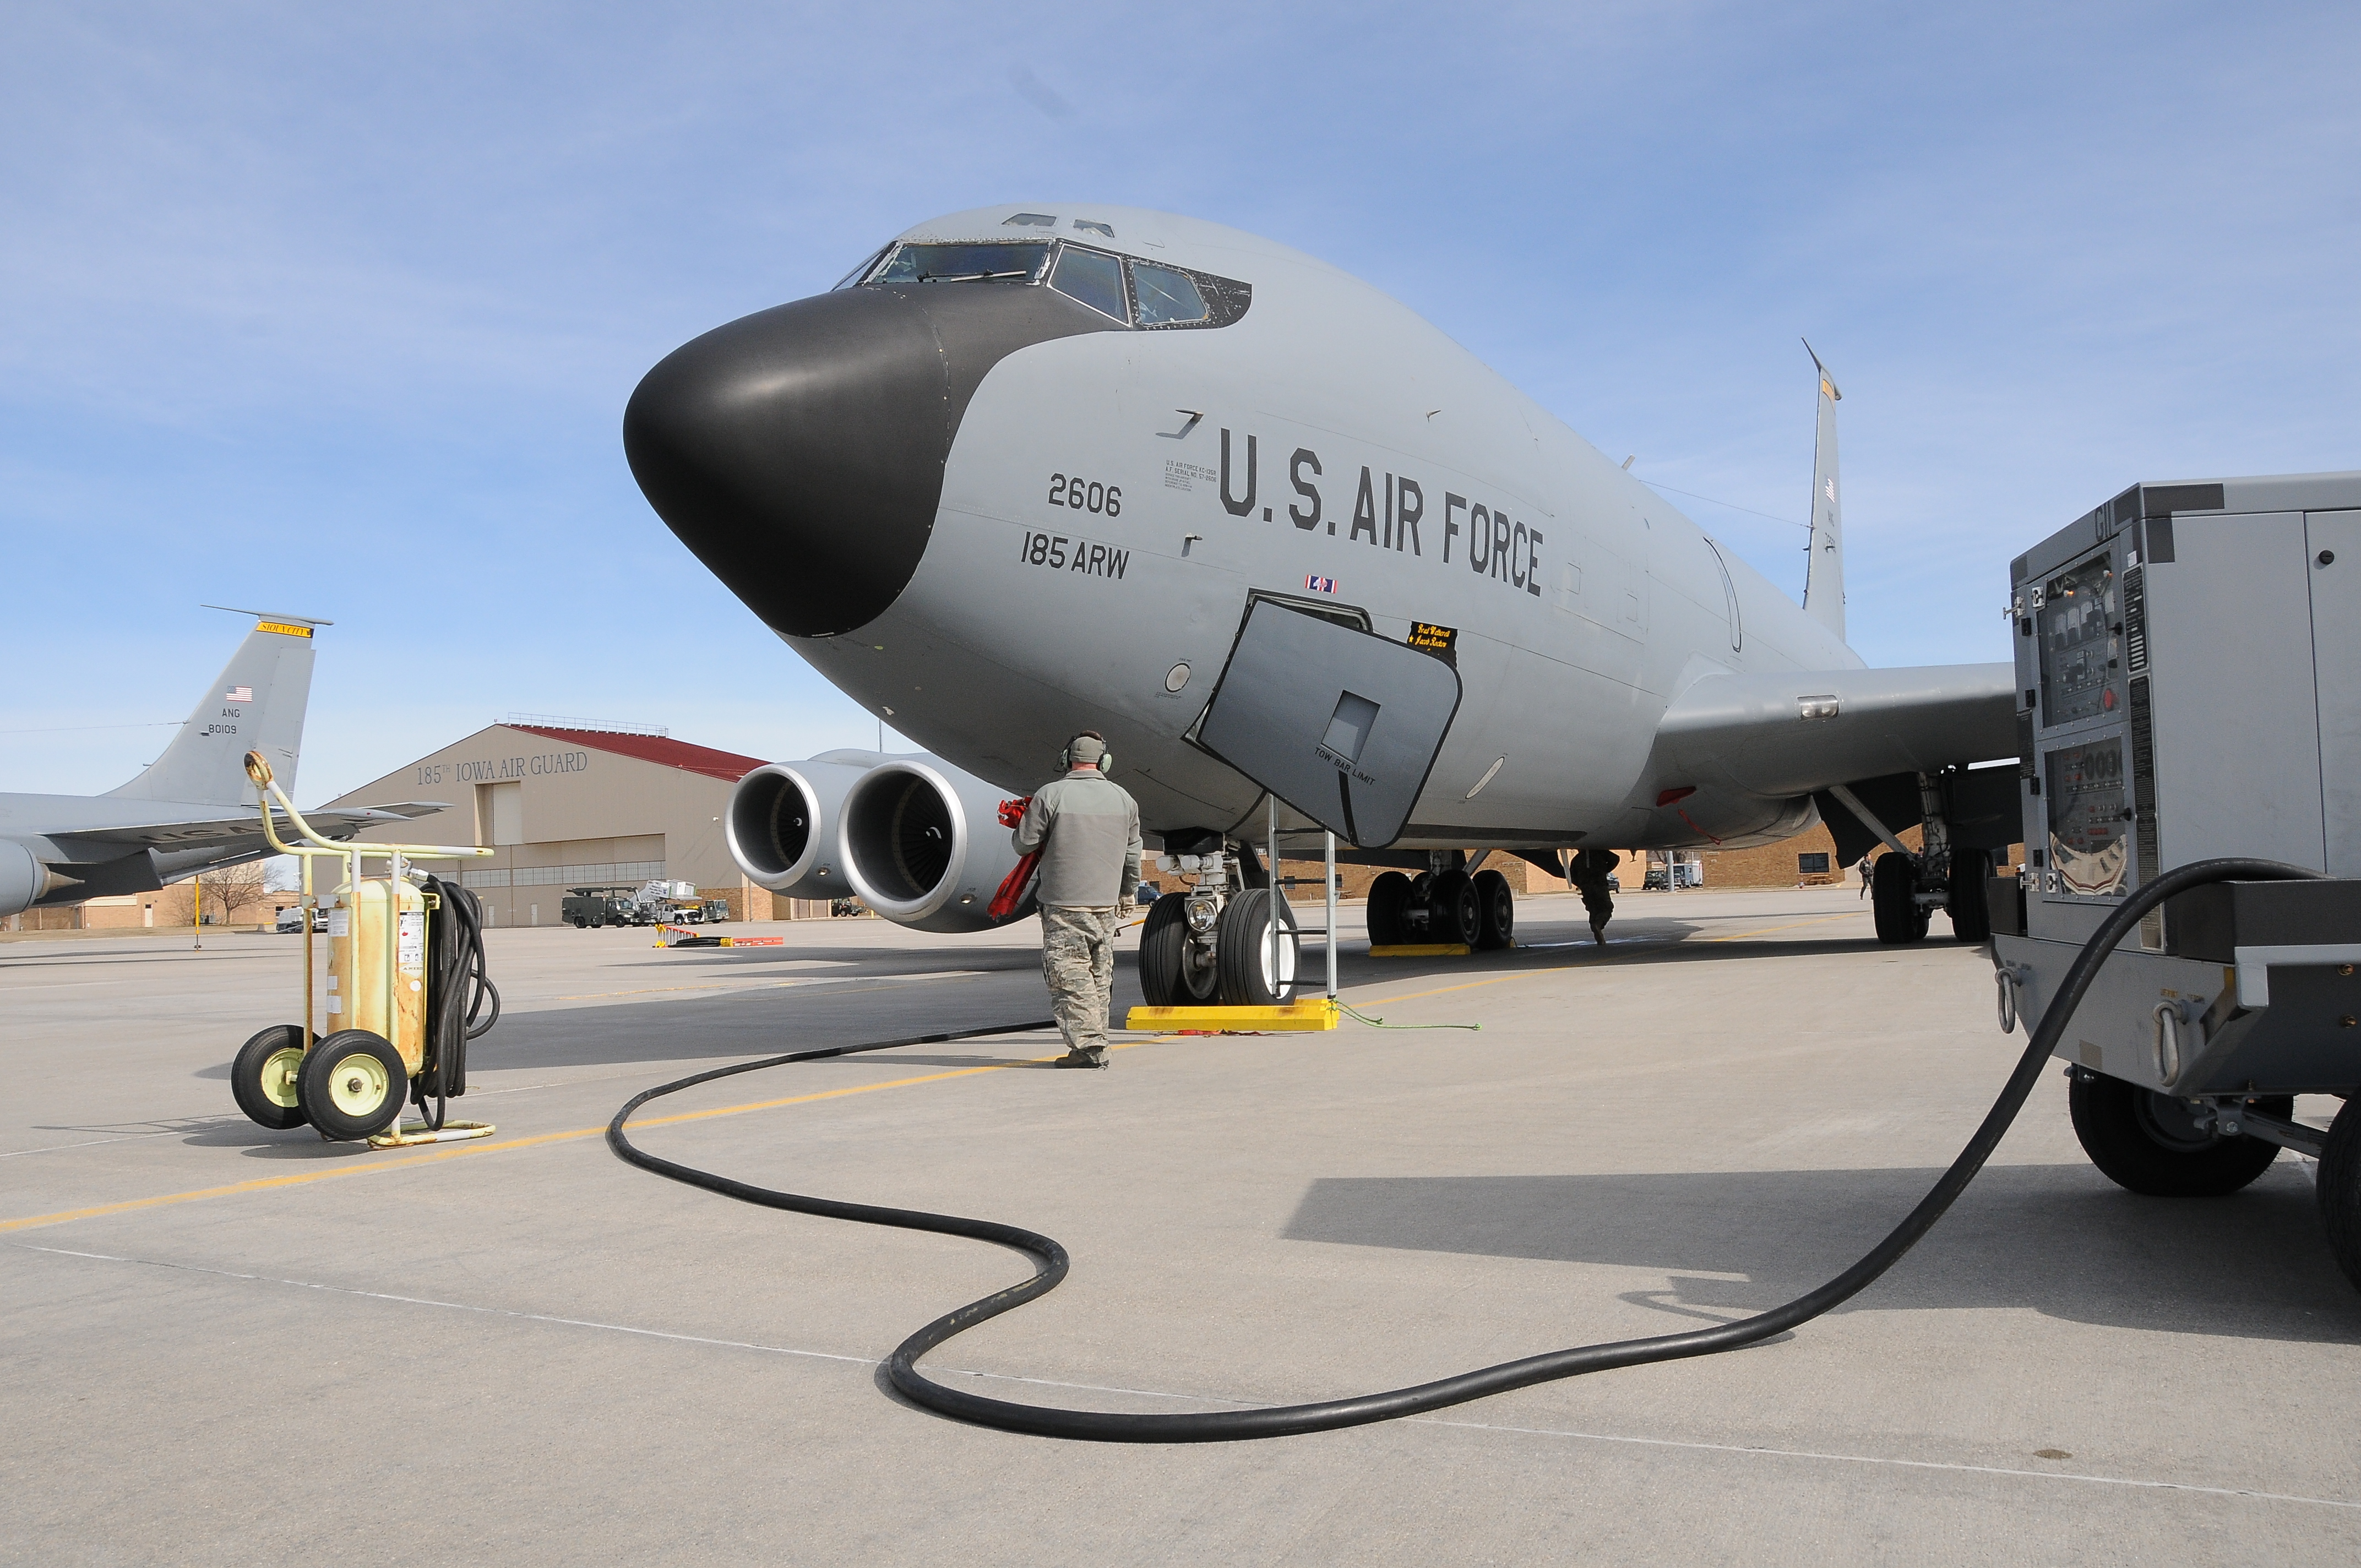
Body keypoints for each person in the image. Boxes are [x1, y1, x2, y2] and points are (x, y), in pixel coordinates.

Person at [1011, 731, 1142, 1068]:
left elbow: (1024, 844)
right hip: (1105, 905)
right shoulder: (1125, 799)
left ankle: (1089, 1049)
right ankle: (1098, 1042)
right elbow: (1132, 855)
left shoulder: (1051, 795)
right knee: (1098, 975)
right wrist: (1128, 892)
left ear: (1068, 758)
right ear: (1103, 761)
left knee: (1068, 974)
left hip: (1064, 904)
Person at [1569, 847, 1619, 946]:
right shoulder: (1600, 853)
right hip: (1599, 885)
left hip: (1586, 888)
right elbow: (1615, 859)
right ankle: (1598, 925)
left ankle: (1596, 929)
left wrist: (1582, 883)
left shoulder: (1577, 859)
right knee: (1607, 908)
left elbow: (1572, 875)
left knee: (1593, 910)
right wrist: (1605, 869)